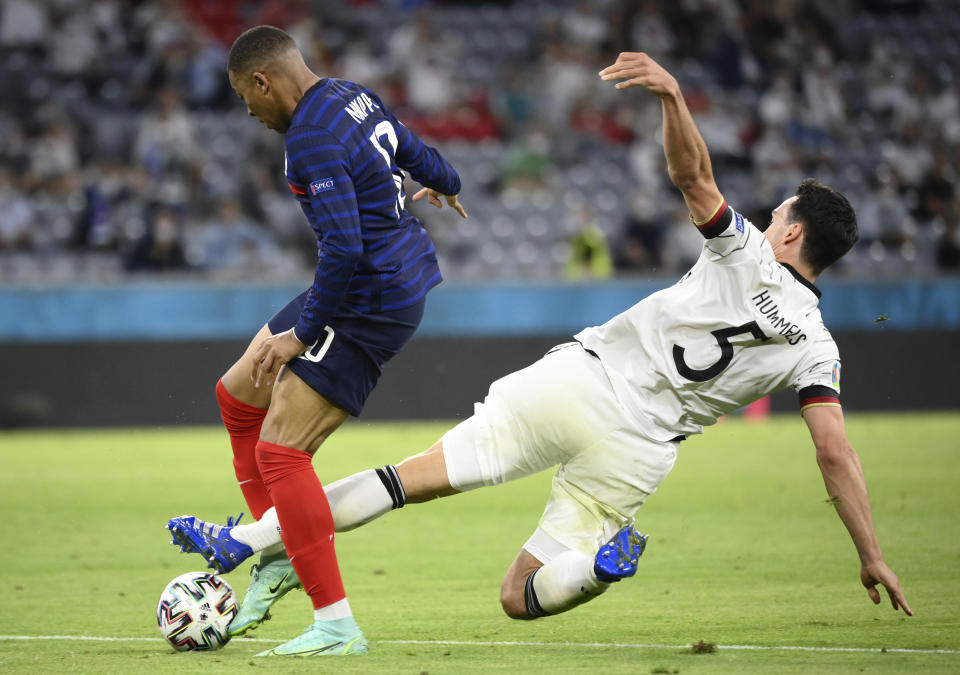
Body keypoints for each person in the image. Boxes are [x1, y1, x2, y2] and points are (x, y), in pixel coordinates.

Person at [171, 51, 912, 632]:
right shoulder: (819, 349)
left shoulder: (745, 248)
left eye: (778, 209)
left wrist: (672, 97)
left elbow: (692, 175)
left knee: (406, 480)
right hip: (641, 452)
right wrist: (871, 553)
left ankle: (249, 539)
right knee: (520, 596)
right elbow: (833, 452)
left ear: (788, 231)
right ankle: (592, 568)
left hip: (579, 384)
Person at [167, 25, 467, 658]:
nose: (247, 112)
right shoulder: (350, 95)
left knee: (281, 453)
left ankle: (335, 624)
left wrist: (302, 336)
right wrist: (449, 180)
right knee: (238, 393)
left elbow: (344, 247)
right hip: (380, 276)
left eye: (243, 98)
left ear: (262, 81)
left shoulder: (309, 139)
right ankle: (274, 554)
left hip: (370, 294)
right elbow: (413, 149)